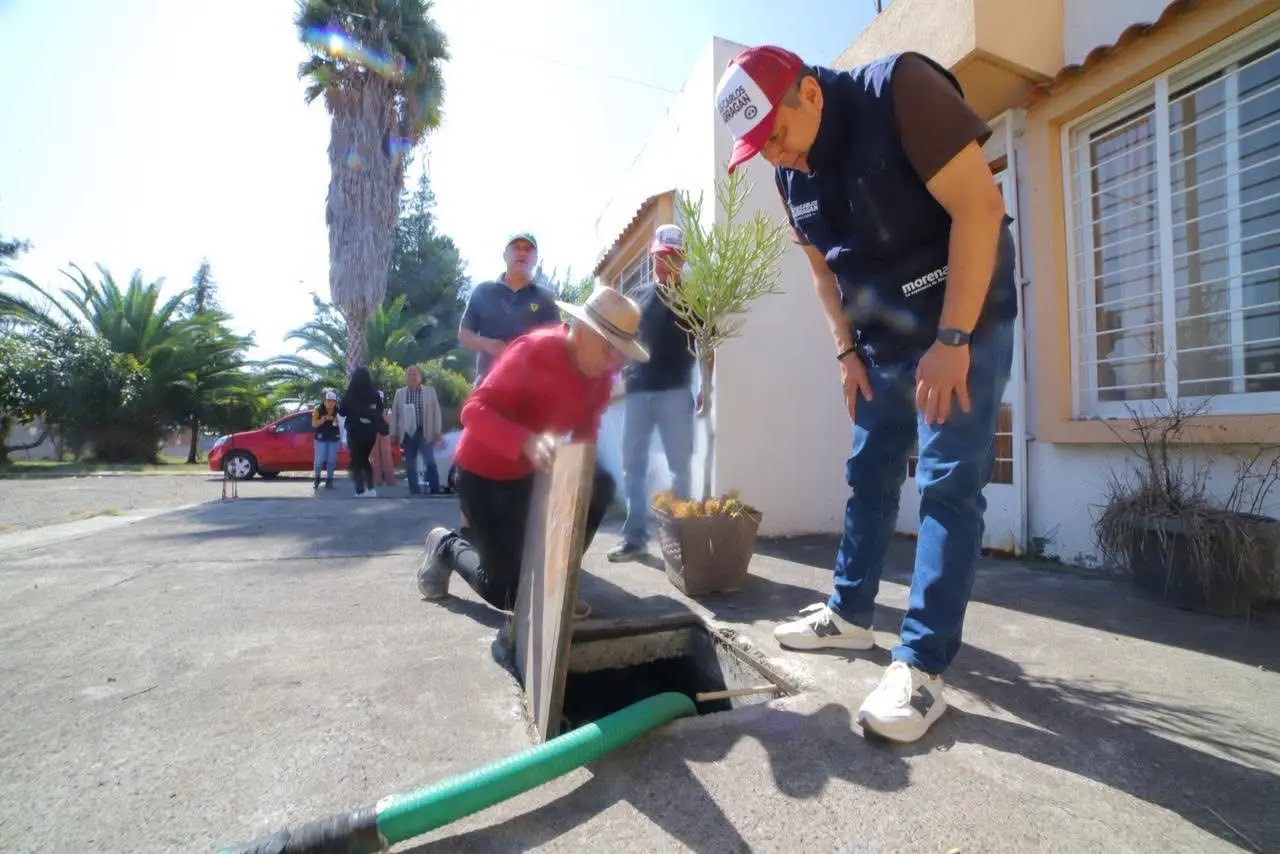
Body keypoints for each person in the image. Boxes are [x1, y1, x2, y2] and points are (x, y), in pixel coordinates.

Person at [714, 45, 1018, 743]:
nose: (776, 156)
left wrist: (953, 340)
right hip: (882, 336)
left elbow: (980, 209)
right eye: (759, 149)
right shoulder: (790, 174)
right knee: (870, 469)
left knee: (948, 482)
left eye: (777, 135)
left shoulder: (902, 90)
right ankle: (850, 615)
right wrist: (845, 350)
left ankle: (922, 666)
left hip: (963, 314)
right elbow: (824, 273)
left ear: (811, 95)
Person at [418, 284, 650, 621]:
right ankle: (447, 545)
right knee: (509, 592)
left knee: (598, 481)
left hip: (529, 477)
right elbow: (473, 411)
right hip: (483, 476)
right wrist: (526, 442)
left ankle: (554, 579)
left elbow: (585, 438)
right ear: (581, 332)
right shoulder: (535, 350)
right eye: (608, 347)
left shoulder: (600, 378)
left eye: (621, 352)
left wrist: (576, 477)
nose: (615, 361)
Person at [607, 224, 709, 563]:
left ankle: (679, 541)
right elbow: (623, 339)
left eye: (672, 257)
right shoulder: (637, 294)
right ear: (652, 256)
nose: (664, 264)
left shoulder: (695, 297)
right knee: (632, 467)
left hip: (676, 392)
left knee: (680, 467)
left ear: (682, 259)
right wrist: (616, 378)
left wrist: (706, 387)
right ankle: (634, 539)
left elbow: (707, 346)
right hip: (638, 392)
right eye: (660, 256)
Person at [457, 231, 560, 384]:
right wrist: (486, 343)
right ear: (505, 255)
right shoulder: (484, 291)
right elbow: (464, 334)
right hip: (487, 385)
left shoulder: (546, 298)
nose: (522, 253)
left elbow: (556, 344)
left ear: (535, 259)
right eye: (516, 247)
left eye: (528, 249)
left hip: (530, 389)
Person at [389, 364, 444, 495]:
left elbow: (436, 413)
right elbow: (395, 415)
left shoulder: (430, 392)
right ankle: (414, 490)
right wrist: (393, 434)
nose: (412, 377)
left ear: (420, 377)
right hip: (408, 434)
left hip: (425, 431)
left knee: (430, 461)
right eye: (409, 374)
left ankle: (435, 488)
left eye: (415, 374)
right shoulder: (400, 394)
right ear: (406, 377)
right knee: (410, 463)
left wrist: (437, 432)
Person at [338, 367, 387, 498]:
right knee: (364, 458)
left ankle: (360, 490)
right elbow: (379, 410)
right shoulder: (374, 394)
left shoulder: (351, 393)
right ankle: (371, 489)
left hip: (354, 431)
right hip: (370, 432)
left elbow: (342, 411)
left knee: (357, 460)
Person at [311, 390, 341, 490]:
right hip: (321, 439)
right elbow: (314, 424)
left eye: (332, 401)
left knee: (332, 460)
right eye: (328, 400)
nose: (330, 403)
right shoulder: (318, 410)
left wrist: (335, 420)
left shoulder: (338, 411)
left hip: (333, 438)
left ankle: (329, 480)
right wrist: (322, 420)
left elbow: (342, 424)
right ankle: (317, 478)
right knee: (319, 460)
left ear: (335, 402)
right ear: (324, 401)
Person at [371, 390, 397, 489]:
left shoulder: (387, 409)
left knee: (386, 456)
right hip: (373, 433)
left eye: (381, 398)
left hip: (385, 433)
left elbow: (390, 421)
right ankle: (377, 480)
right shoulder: (371, 407)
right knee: (375, 457)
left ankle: (390, 480)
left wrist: (382, 414)